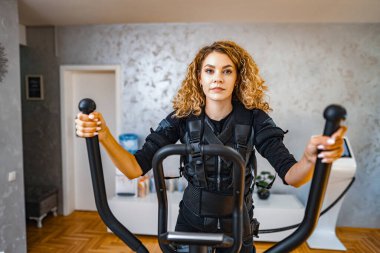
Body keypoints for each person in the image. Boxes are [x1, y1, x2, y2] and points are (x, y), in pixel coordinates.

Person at [75, 41, 346, 253]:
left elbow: (293, 176)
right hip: (190, 223)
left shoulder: (255, 118)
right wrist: (104, 134)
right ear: (199, 78)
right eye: (210, 70)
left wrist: (312, 158)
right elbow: (134, 168)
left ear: (237, 78)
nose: (218, 77)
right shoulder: (180, 118)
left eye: (227, 71)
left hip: (238, 226)